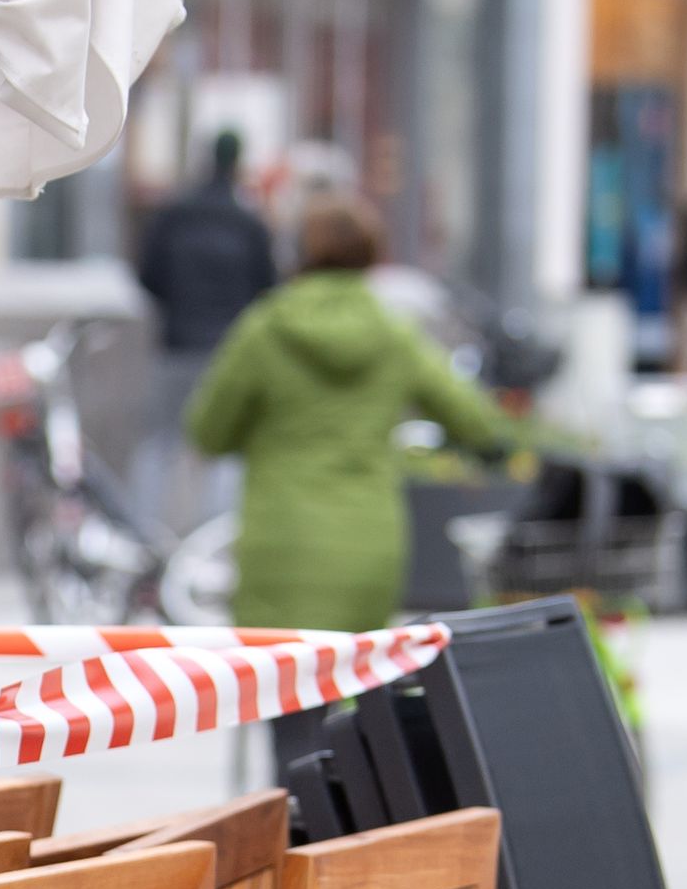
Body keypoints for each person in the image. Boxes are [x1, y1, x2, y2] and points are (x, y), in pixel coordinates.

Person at [183, 193, 509, 634]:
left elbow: (208, 432)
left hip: (281, 542)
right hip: (369, 541)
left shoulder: (265, 329)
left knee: (275, 688)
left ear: (299, 254)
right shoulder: (395, 333)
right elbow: (476, 422)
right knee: (357, 688)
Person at [128, 130, 280, 524]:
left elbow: (147, 277)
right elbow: (268, 290)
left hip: (176, 345)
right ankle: (214, 543)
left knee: (160, 445)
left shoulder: (173, 216)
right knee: (227, 451)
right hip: (231, 351)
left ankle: (144, 537)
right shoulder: (249, 224)